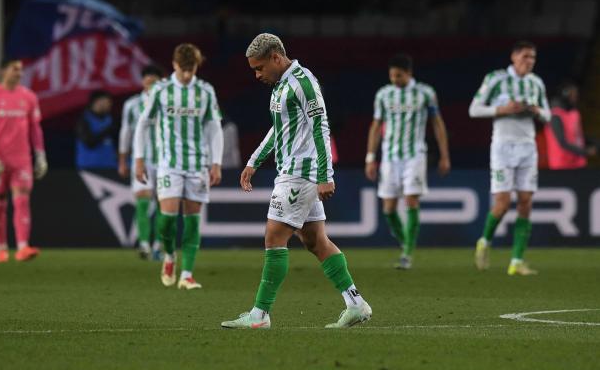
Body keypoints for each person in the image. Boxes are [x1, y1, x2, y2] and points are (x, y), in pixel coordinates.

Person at [221, 33, 372, 330]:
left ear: (276, 57)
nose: (256, 75)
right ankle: (356, 304)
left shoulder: (303, 83)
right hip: (291, 171)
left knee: (274, 237)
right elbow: (278, 129)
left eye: (259, 67)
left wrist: (325, 176)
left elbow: (321, 127)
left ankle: (260, 315)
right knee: (316, 241)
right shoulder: (280, 87)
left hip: (301, 174)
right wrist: (254, 161)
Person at [134, 43, 223, 290]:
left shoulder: (205, 91)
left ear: (197, 66)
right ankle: (170, 256)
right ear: (174, 65)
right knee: (167, 221)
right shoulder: (161, 90)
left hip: (197, 164)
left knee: (193, 221)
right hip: (168, 164)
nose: (186, 74)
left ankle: (187, 275)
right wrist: (139, 159)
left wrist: (216, 163)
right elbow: (143, 123)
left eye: (191, 69)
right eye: (183, 69)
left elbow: (215, 128)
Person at [469, 40, 551, 275]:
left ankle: (516, 262)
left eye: (533, 58)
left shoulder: (536, 83)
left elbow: (548, 114)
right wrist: (502, 110)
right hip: (503, 147)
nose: (530, 62)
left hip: (528, 147)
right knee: (503, 204)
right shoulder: (496, 78)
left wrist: (536, 111)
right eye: (526, 56)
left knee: (526, 201)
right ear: (514, 57)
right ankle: (484, 241)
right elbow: (473, 109)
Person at [364, 54, 450, 269]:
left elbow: (437, 123)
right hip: (390, 156)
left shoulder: (425, 93)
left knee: (411, 201)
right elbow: (376, 126)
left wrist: (444, 155)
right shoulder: (384, 94)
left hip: (415, 155)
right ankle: (406, 244)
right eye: (392, 75)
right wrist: (370, 157)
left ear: (409, 73)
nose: (394, 79)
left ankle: (407, 254)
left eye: (399, 75)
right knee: (388, 209)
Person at [0, 58, 47, 263]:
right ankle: (1, 248)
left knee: (22, 199)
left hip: (21, 159)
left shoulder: (29, 97)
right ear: (3, 71)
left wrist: (40, 154)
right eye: (15, 69)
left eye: (21, 70)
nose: (19, 73)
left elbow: (35, 128)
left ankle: (23, 247)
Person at [118, 65, 165, 260]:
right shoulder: (132, 105)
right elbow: (125, 132)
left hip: (164, 159)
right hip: (142, 160)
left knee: (164, 203)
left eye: (154, 79)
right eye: (147, 78)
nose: (150, 81)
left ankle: (158, 245)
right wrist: (122, 159)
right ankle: (144, 244)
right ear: (142, 81)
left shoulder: (168, 101)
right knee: (143, 200)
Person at [543, 83, 597, 169]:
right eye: (573, 95)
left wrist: (594, 142)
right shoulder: (555, 115)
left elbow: (577, 136)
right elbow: (562, 142)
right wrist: (586, 151)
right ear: (565, 95)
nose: (575, 97)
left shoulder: (574, 113)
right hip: (562, 165)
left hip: (578, 163)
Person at [76, 90, 117, 169]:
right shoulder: (84, 120)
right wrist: (107, 130)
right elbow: (89, 142)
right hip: (89, 167)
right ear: (98, 101)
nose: (110, 104)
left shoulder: (111, 119)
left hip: (110, 166)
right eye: (108, 101)